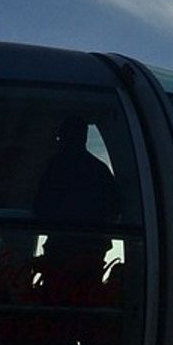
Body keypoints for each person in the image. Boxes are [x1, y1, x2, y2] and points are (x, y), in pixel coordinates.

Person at [33, 116, 119, 274]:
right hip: (92, 249)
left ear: (61, 138)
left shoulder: (51, 167)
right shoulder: (100, 170)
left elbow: (39, 205)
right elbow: (112, 209)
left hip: (63, 246)